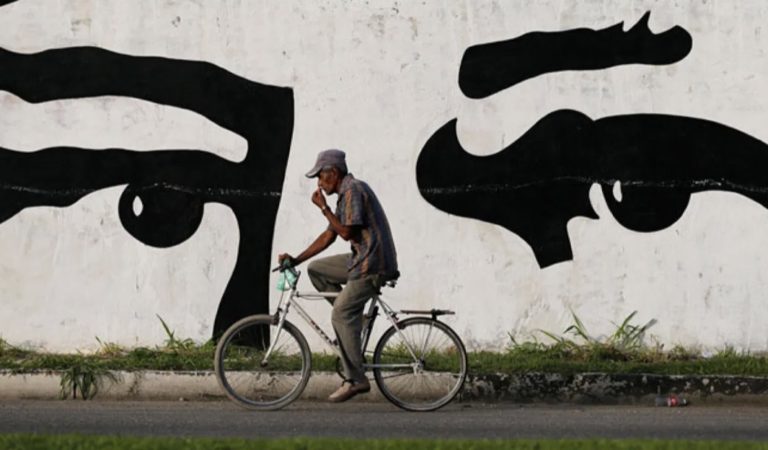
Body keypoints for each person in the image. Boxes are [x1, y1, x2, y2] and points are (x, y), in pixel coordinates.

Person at [278, 149, 398, 403]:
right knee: (316, 270)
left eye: (320, 177)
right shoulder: (344, 196)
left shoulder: (353, 190)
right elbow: (328, 236)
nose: (319, 183)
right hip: (361, 258)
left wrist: (324, 208)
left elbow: (346, 233)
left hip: (372, 264)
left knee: (340, 314)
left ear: (333, 173)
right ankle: (357, 320)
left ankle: (356, 379)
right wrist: (296, 259)